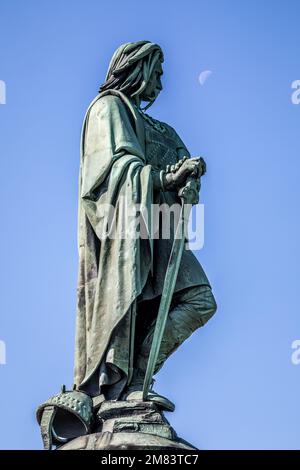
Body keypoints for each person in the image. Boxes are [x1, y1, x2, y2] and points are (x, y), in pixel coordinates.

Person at [74, 41, 217, 411]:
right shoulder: (107, 109)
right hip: (125, 232)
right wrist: (168, 177)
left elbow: (176, 167)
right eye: (157, 71)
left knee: (200, 299)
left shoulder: (160, 127)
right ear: (137, 71)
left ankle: (139, 376)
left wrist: (188, 178)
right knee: (139, 302)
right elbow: (110, 173)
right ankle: (127, 385)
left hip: (160, 232)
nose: (162, 81)